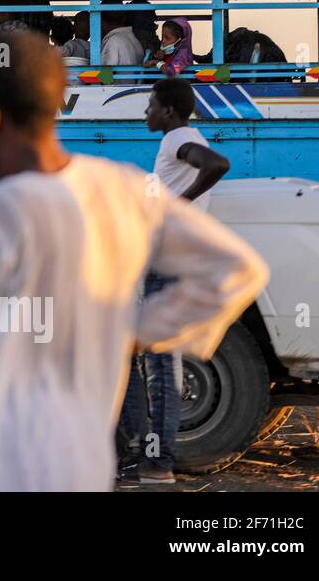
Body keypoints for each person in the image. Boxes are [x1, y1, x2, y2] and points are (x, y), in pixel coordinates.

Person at [0, 32, 268, 491]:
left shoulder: (7, 208)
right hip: (79, 463)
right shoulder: (121, 188)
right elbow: (237, 270)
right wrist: (135, 332)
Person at [117, 77, 233, 484]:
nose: (146, 112)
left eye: (150, 105)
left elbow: (217, 163)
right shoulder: (180, 137)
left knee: (160, 364)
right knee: (131, 353)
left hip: (167, 262)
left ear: (167, 110)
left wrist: (175, 210)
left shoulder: (177, 139)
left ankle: (157, 462)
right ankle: (138, 451)